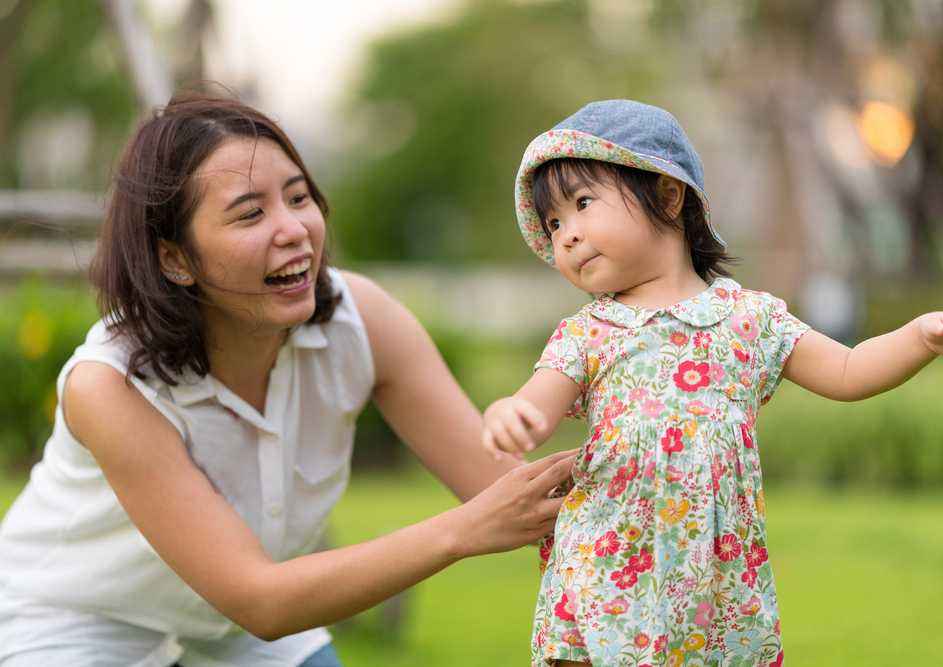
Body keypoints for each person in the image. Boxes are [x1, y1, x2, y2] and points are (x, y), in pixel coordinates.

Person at [0, 93, 575, 667]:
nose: (294, 229)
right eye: (251, 213)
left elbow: (502, 488)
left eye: (298, 197)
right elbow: (261, 601)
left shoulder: (362, 320)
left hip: (232, 633)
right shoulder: (112, 386)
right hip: (74, 626)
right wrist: (463, 531)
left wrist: (645, 445)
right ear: (175, 259)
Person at [481, 99, 943, 666]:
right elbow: (541, 398)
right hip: (608, 570)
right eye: (554, 224)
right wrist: (513, 412)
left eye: (582, 204)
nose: (568, 235)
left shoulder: (751, 319)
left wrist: (919, 338)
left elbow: (848, 371)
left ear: (667, 196)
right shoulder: (589, 331)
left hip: (716, 579)